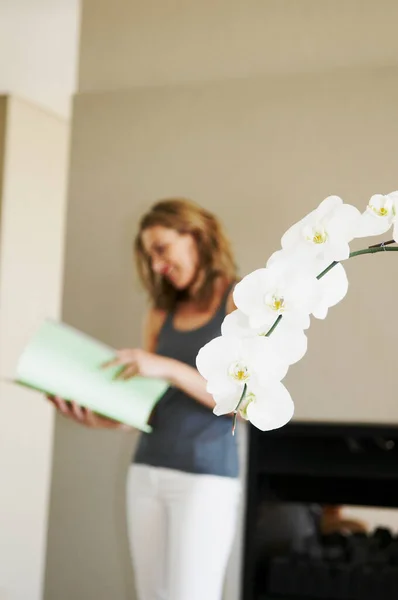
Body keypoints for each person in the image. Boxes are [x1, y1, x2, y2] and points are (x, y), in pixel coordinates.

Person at [48, 198, 241, 600]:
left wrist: (168, 367)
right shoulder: (160, 312)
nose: (156, 266)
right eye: (149, 256)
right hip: (147, 471)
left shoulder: (238, 300)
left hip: (205, 478)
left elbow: (244, 400)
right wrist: (100, 418)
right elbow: (148, 404)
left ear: (196, 238)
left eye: (161, 250)